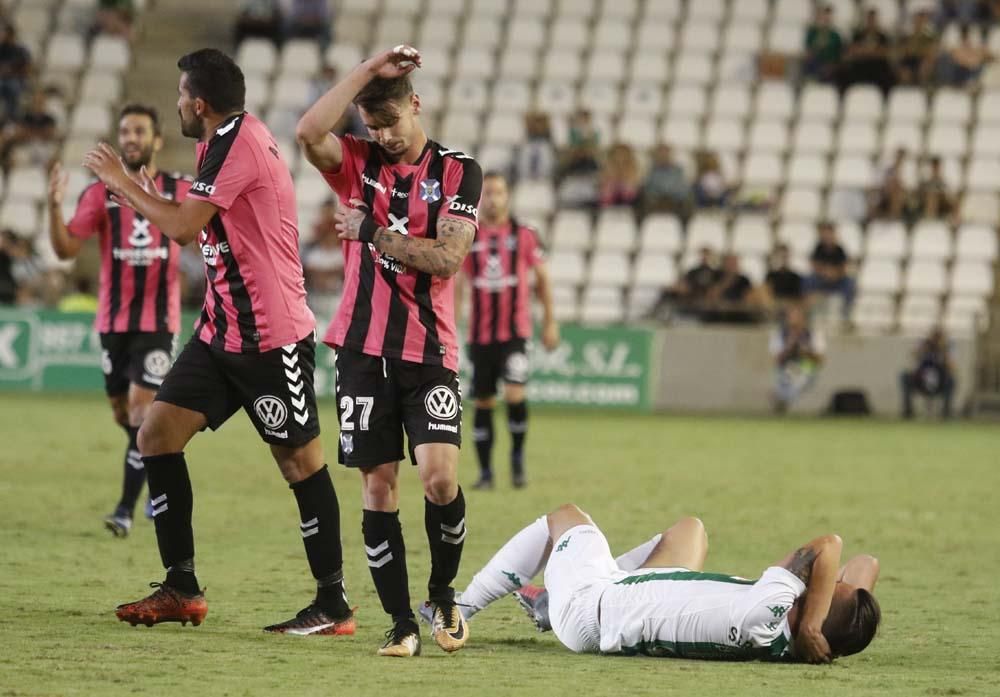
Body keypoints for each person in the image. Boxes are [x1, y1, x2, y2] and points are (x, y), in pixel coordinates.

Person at [83, 48, 352, 638]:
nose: (177, 102)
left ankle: (333, 605)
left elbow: (183, 229)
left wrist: (122, 185)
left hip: (270, 337)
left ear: (199, 103)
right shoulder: (222, 139)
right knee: (156, 432)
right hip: (219, 331)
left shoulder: (239, 144)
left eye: (181, 95)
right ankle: (181, 586)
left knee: (300, 465)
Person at [295, 44, 482, 656]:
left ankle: (443, 593)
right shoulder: (357, 162)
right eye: (373, 125)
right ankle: (401, 621)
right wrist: (370, 71)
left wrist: (374, 232)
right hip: (360, 349)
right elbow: (307, 130)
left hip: (429, 349)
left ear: (416, 107)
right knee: (378, 488)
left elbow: (448, 258)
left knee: (439, 480)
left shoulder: (458, 171)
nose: (384, 135)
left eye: (391, 122)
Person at [448, 503, 881, 663]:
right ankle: (547, 599)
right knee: (690, 530)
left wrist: (810, 621)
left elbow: (832, 544)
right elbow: (866, 564)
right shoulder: (795, 634)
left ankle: (459, 610)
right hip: (619, 607)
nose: (821, 583)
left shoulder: (766, 613)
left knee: (565, 518)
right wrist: (819, 622)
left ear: (812, 617)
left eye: (826, 592)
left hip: (591, 607)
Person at [48, 104, 191, 538]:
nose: (130, 138)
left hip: (158, 323)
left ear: (156, 140)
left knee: (139, 410)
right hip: (112, 324)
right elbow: (67, 250)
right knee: (124, 415)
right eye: (125, 131)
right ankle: (155, 472)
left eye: (139, 131)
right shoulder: (98, 195)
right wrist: (54, 207)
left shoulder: (179, 190)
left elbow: (198, 229)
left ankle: (125, 509)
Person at [456, 171, 559, 491]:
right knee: (484, 402)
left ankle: (516, 460)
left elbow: (542, 279)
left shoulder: (524, 235)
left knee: (515, 393)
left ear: (507, 197)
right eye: (487, 193)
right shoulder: (468, 236)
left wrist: (550, 321)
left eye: (499, 192)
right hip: (480, 336)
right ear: (479, 198)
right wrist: (451, 327)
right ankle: (486, 473)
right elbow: (458, 284)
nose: (493, 199)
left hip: (515, 334)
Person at [769, 304, 826, 413]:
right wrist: (789, 346)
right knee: (785, 378)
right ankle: (782, 399)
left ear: (803, 318)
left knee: (799, 380)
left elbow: (820, 360)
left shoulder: (813, 334)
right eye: (792, 316)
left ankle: (782, 399)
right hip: (787, 368)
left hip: (806, 369)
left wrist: (807, 351)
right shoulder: (780, 334)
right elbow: (777, 359)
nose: (794, 319)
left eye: (797, 316)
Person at [836, 8, 896, 96]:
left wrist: (865, 51)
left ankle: (885, 101)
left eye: (873, 19)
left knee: (889, 76)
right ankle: (843, 99)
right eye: (869, 19)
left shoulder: (882, 36)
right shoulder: (858, 35)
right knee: (843, 74)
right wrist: (871, 51)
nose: (871, 22)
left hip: (877, 68)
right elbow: (853, 51)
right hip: (861, 67)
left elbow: (885, 52)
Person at [901, 326, 956, 419]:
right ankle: (908, 411)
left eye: (938, 337)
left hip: (940, 382)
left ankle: (946, 412)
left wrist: (943, 351)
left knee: (951, 380)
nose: (935, 340)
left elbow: (952, 368)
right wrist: (923, 349)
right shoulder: (924, 346)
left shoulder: (945, 349)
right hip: (921, 381)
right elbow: (913, 357)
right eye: (934, 336)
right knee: (904, 376)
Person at [805, 221, 855, 318]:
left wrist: (834, 273)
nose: (827, 236)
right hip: (821, 279)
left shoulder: (839, 249)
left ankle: (846, 314)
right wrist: (825, 272)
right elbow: (814, 265)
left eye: (829, 233)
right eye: (825, 234)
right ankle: (806, 312)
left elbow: (844, 267)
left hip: (837, 280)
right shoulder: (818, 248)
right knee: (808, 280)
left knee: (850, 283)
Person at [640, 143, 692, 218]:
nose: (663, 156)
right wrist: (661, 194)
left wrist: (670, 195)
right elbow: (649, 188)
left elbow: (682, 189)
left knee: (687, 200)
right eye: (661, 154)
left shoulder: (678, 171)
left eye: (665, 154)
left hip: (675, 202)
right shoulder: (651, 171)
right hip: (657, 202)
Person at [895, 8, 939, 86]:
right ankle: (906, 89)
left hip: (923, 61)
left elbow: (931, 52)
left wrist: (917, 50)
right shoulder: (908, 37)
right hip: (909, 60)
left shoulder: (929, 38)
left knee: (925, 66)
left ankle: (922, 89)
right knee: (904, 69)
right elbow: (905, 51)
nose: (919, 24)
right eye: (917, 21)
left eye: (921, 21)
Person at [803, 4, 844, 83]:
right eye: (824, 16)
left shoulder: (836, 36)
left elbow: (839, 55)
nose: (826, 19)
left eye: (828, 17)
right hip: (815, 65)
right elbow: (808, 53)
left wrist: (831, 66)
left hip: (831, 67)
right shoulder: (812, 33)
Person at [0, 23, 31, 124]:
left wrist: (11, 71)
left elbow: (27, 69)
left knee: (13, 87)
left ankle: (12, 118)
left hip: (16, 79)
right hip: (1, 78)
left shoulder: (21, 51)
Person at [598, 142, 641, 209]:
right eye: (617, 154)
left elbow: (633, 187)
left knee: (627, 189)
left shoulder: (633, 168)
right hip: (609, 203)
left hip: (628, 202)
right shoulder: (608, 167)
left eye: (622, 154)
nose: (620, 156)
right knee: (608, 189)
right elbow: (603, 187)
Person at [763, 244, 804, 308]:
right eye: (781, 256)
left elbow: (798, 298)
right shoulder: (770, 276)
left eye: (785, 256)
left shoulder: (795, 277)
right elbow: (767, 296)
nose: (783, 259)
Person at [916, 156, 956, 221]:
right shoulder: (926, 182)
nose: (935, 169)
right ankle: (930, 219)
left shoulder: (944, 182)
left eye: (937, 167)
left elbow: (948, 195)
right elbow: (921, 193)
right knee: (931, 196)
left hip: (942, 205)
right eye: (934, 167)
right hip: (928, 202)